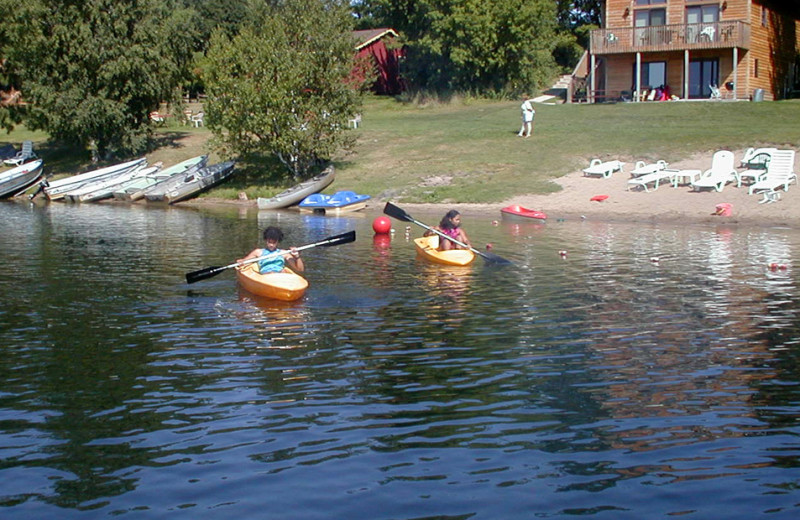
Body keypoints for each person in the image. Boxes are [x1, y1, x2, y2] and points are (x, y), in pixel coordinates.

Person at [237, 226, 304, 274]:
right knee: (271, 273)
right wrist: (241, 262)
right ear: (266, 240)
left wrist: (297, 256)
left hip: (280, 275)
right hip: (267, 275)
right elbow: (244, 262)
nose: (271, 245)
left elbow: (300, 269)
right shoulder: (258, 252)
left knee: (282, 272)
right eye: (269, 242)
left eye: (274, 242)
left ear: (278, 242)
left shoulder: (284, 253)